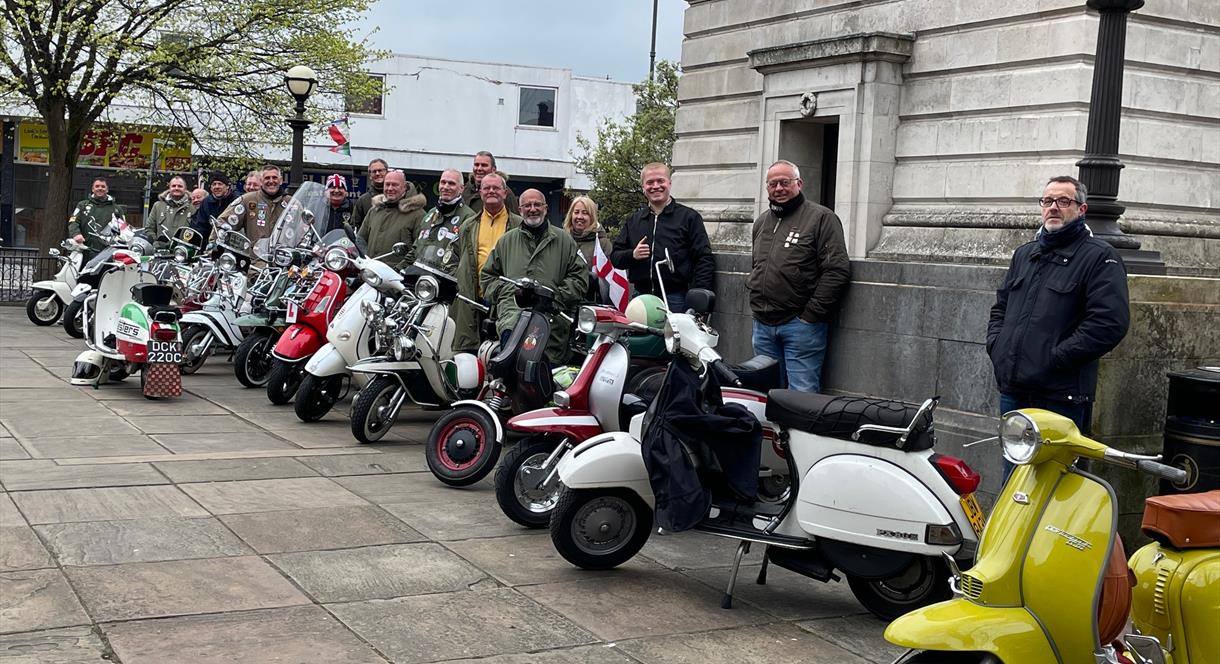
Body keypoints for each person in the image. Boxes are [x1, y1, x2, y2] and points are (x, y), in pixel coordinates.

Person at [987, 175, 1130, 477]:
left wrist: (1054, 359)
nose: (1053, 207)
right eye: (1047, 201)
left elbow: (1108, 324)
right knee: (1013, 482)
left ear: (1081, 209)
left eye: (1063, 201)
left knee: (1053, 484)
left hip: (1059, 395)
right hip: (1014, 390)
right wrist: (997, 346)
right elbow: (1000, 308)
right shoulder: (1025, 254)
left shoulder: (1100, 257)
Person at [746, 160, 850, 394]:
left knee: (801, 395)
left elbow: (837, 270)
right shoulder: (762, 221)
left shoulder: (821, 218)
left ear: (799, 184)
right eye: (773, 184)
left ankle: (799, 433)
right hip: (762, 323)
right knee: (765, 392)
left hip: (800, 326)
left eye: (785, 182)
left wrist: (810, 315)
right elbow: (757, 265)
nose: (779, 188)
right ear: (767, 188)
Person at [480, 189, 586, 364]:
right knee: (511, 376)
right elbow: (488, 278)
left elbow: (579, 279)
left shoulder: (565, 241)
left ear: (546, 208)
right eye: (527, 205)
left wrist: (553, 297)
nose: (533, 209)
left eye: (537, 204)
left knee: (546, 379)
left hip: (552, 322)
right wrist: (509, 293)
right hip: (512, 320)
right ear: (520, 210)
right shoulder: (506, 242)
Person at [609, 162, 716, 312]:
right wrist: (632, 255)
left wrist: (698, 299)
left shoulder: (689, 217)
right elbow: (615, 257)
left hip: (675, 299)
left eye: (660, 181)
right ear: (643, 188)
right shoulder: (634, 220)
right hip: (640, 299)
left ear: (669, 183)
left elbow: (703, 258)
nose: (655, 186)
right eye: (650, 182)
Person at [448, 172, 522, 353]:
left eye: (496, 188)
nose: (491, 191)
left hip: (505, 300)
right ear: (480, 192)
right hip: (473, 298)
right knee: (470, 355)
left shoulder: (519, 226)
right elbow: (455, 255)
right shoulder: (468, 225)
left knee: (503, 353)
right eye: (486, 188)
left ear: (505, 193)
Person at [406, 168, 474, 271]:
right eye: (443, 182)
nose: (446, 187)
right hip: (419, 279)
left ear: (461, 188)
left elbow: (467, 260)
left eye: (451, 183)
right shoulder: (431, 214)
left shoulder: (469, 218)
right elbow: (416, 249)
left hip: (446, 282)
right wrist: (398, 270)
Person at [356, 170, 426, 258]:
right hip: (371, 269)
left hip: (398, 271)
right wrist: (367, 259)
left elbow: (420, 249)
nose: (390, 188)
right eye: (387, 184)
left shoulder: (418, 215)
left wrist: (402, 268)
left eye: (395, 185)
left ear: (405, 187)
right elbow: (360, 238)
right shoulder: (374, 211)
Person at [216, 164, 288, 245]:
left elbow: (302, 229)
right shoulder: (247, 200)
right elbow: (223, 222)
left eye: (274, 178)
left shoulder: (291, 203)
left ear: (281, 180)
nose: (271, 181)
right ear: (261, 181)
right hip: (253, 256)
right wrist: (214, 246)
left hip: (283, 255)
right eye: (267, 178)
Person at [563, 196, 613, 303]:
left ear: (592, 217)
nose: (579, 217)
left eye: (585, 213)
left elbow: (610, 278)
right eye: (576, 212)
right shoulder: (562, 240)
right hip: (565, 299)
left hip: (592, 303)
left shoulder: (602, 243)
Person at [68, 177, 125, 257]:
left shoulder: (117, 209)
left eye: (103, 186)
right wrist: (76, 234)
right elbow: (73, 221)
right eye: (97, 186)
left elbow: (123, 230)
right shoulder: (82, 205)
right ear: (92, 189)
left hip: (107, 253)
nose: (100, 188)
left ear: (107, 190)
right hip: (83, 250)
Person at [461, 151, 519, 215]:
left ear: (493, 170)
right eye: (476, 165)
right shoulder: (466, 189)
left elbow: (514, 220)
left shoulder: (504, 193)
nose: (479, 168)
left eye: (484, 165)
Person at [144, 175, 194, 249]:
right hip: (160, 249)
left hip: (183, 251)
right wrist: (155, 242)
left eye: (180, 186)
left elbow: (196, 231)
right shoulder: (158, 206)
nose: (176, 188)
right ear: (169, 188)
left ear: (185, 189)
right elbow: (149, 228)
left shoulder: (192, 208)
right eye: (173, 186)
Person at [190, 171, 238, 239]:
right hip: (209, 243)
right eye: (214, 184)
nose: (216, 187)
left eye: (220, 184)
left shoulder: (236, 201)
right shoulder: (206, 203)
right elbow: (200, 226)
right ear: (211, 187)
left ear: (227, 186)